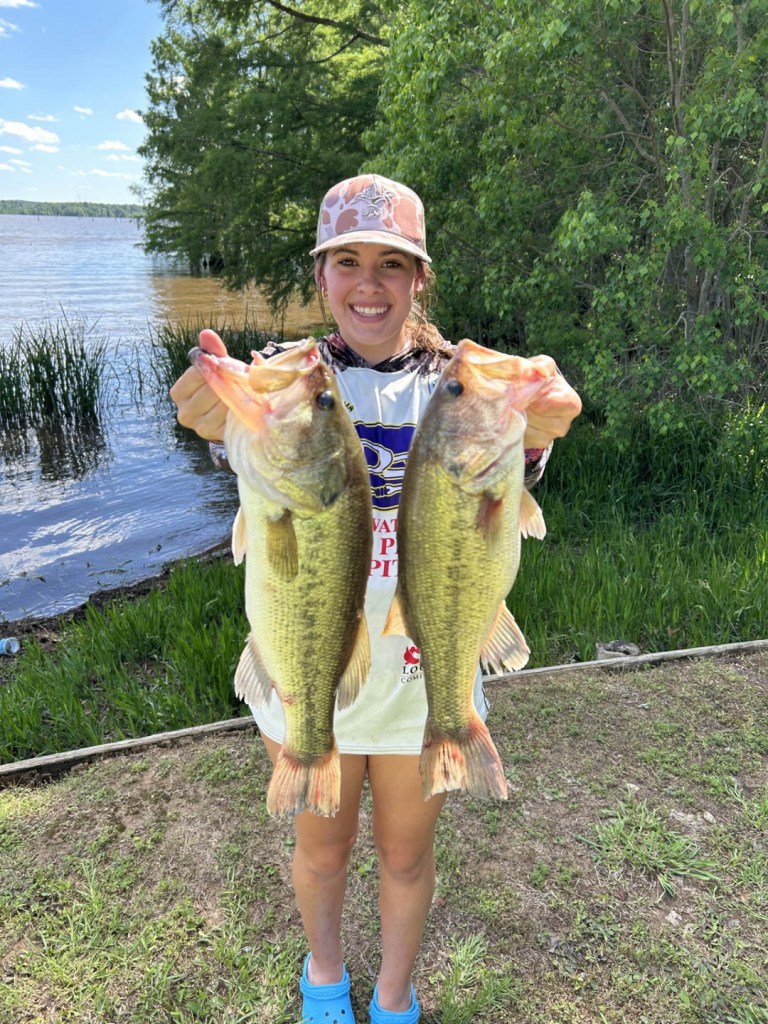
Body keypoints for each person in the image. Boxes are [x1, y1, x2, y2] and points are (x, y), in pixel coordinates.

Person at [170, 174, 582, 1024]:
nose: (369, 283)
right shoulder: (290, 377)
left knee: (406, 855)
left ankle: (393, 997)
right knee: (321, 851)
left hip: (425, 668)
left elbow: (512, 466)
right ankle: (325, 980)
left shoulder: (457, 382)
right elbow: (233, 439)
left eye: (391, 263)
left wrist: (541, 419)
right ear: (321, 275)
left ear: (419, 278)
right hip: (305, 658)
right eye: (347, 261)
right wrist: (210, 407)